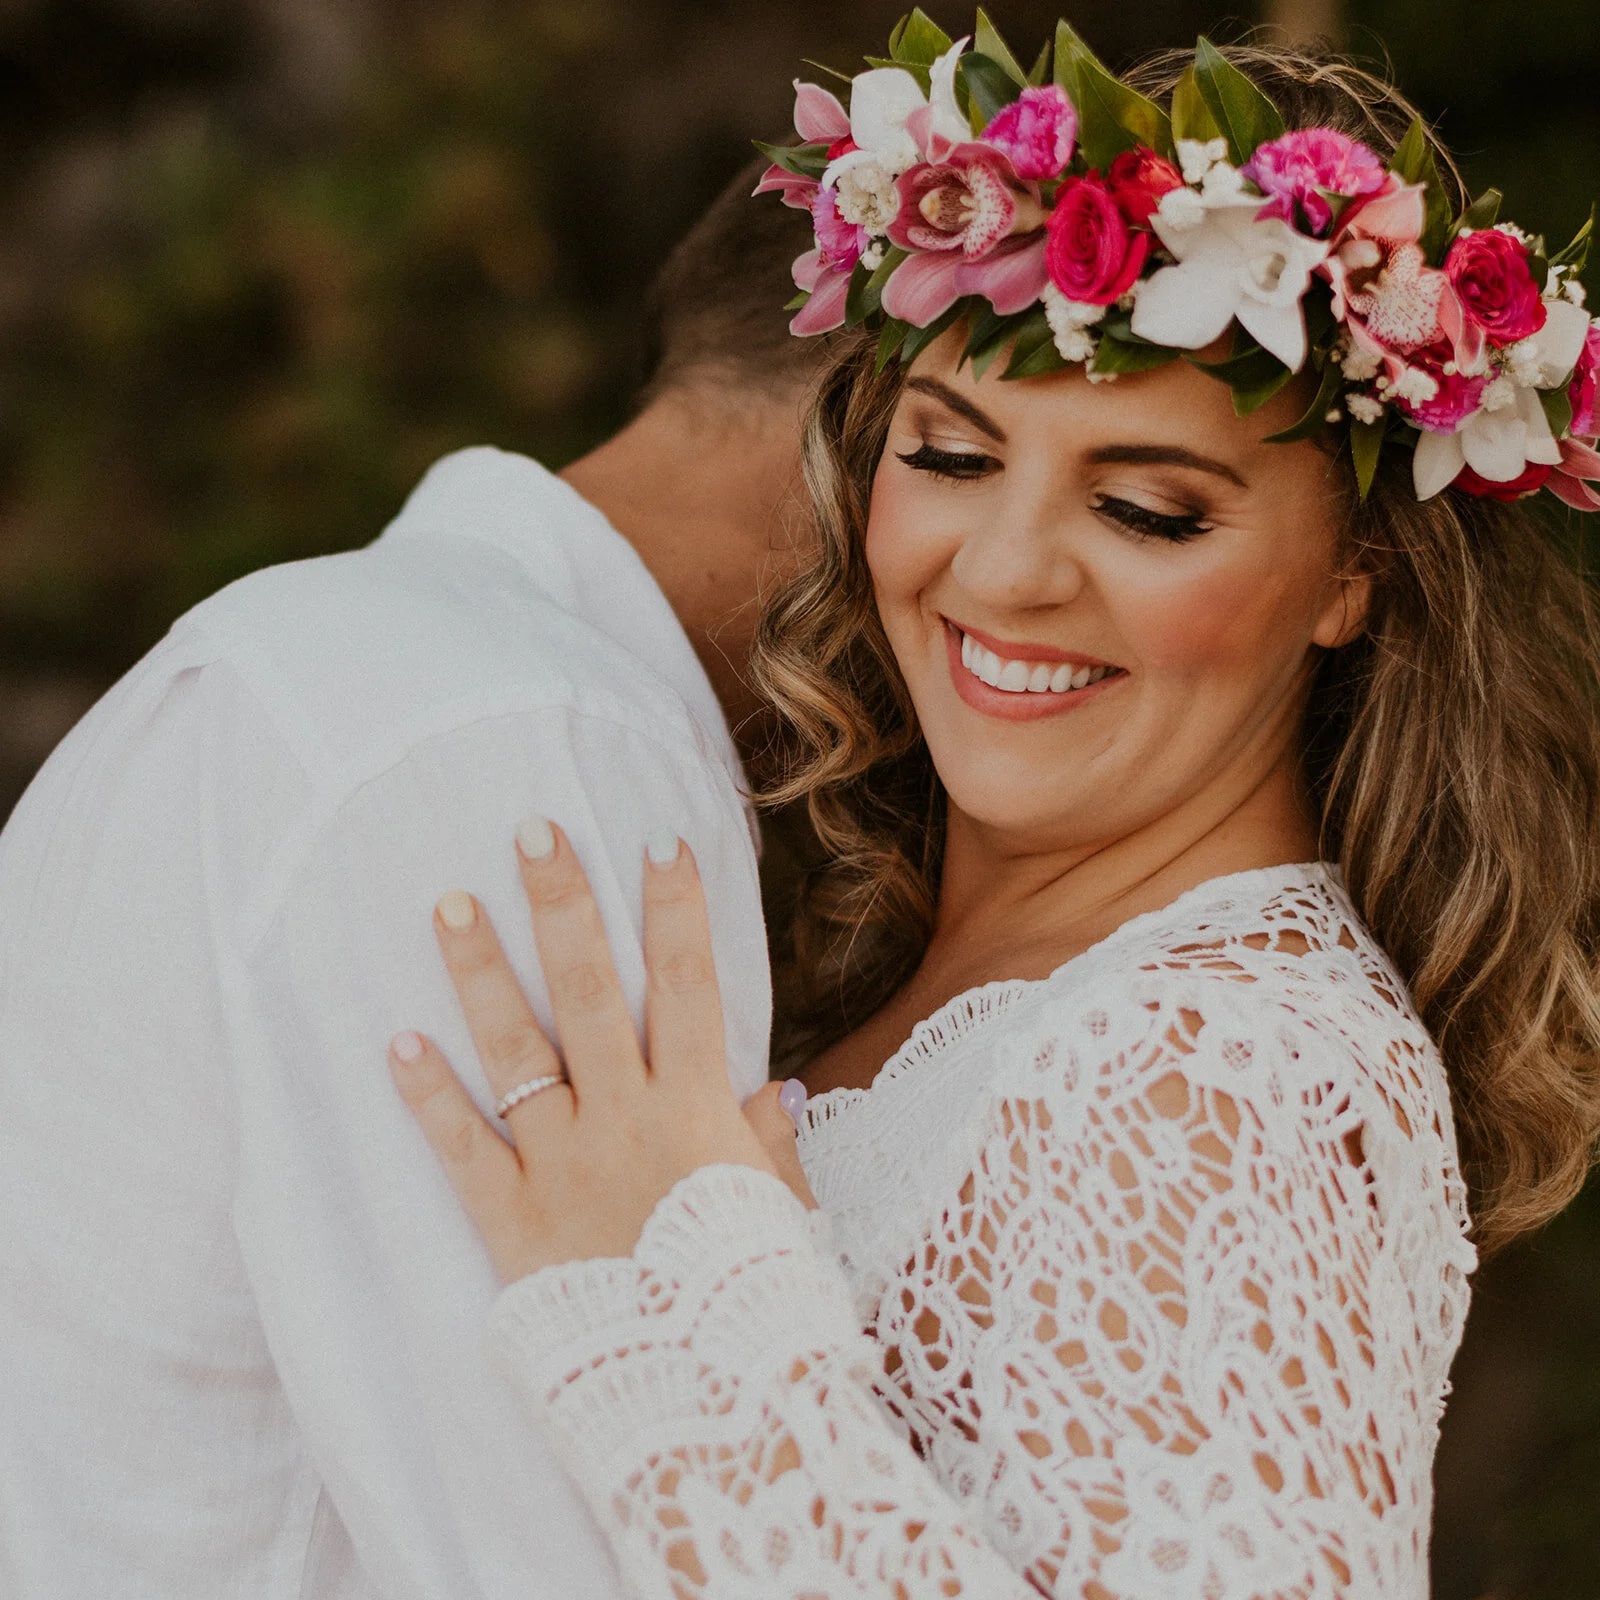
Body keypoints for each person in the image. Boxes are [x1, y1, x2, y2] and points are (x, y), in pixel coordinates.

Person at [387, 26, 1600, 1599]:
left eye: (1149, 507)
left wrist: (674, 1323)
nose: (1007, 571)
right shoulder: (954, 978)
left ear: (1354, 579)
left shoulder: (1218, 1073)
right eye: (951, 455)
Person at [0, 168, 831, 1597]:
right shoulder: (529, 742)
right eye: (979, 461)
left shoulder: (356, 664)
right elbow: (597, 1550)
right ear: (883, 420)